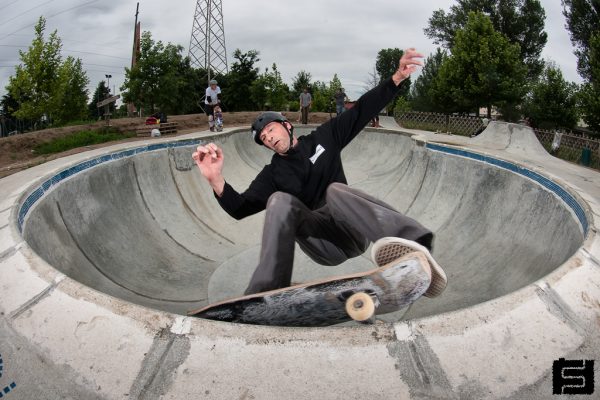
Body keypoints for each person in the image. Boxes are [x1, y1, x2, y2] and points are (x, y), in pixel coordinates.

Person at [192, 48, 447, 298]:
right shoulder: (272, 174)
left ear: (287, 125)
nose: (268, 137)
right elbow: (241, 208)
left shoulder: (325, 137)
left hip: (354, 229)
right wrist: (216, 180)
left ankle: (415, 244)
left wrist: (396, 79)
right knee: (279, 201)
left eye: (270, 129)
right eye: (263, 138)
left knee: (335, 191)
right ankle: (266, 290)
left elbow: (361, 111)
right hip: (326, 245)